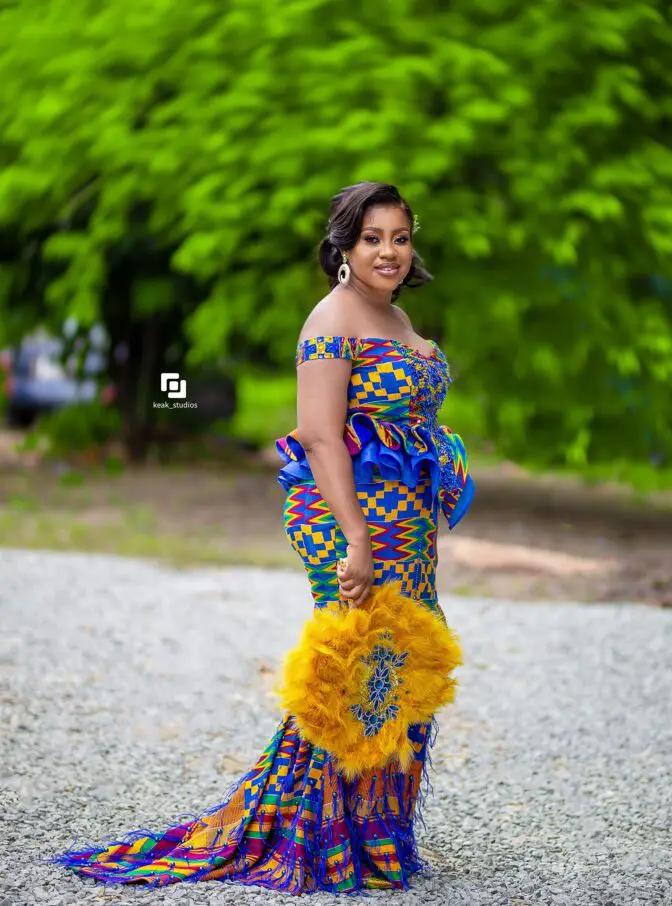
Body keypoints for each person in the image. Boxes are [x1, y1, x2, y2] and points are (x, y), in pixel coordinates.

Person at [52, 181, 474, 895]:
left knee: (405, 662)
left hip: (406, 525)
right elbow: (318, 435)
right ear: (342, 245)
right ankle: (322, 836)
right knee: (357, 666)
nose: (389, 251)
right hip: (355, 521)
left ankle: (376, 836)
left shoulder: (395, 316)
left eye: (400, 237)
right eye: (372, 237)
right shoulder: (331, 320)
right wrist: (357, 541)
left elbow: (406, 425)